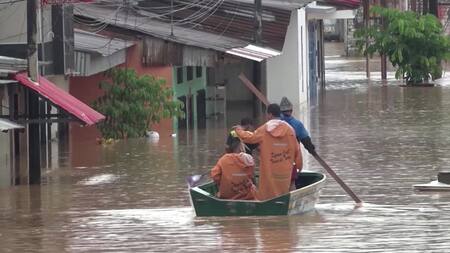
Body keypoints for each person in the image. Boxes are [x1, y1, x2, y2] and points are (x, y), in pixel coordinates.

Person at [234, 103, 302, 201]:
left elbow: (250, 138)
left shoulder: (264, 129)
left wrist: (238, 130)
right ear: (280, 114)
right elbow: (297, 151)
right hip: (284, 173)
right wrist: (299, 168)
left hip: (269, 172)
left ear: (269, 115)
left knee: (267, 196)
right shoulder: (290, 130)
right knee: (285, 193)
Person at [211, 135, 256, 200]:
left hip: (227, 197)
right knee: (254, 187)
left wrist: (224, 183)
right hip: (248, 198)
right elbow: (252, 176)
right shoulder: (248, 159)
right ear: (240, 146)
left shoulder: (223, 159)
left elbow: (215, 176)